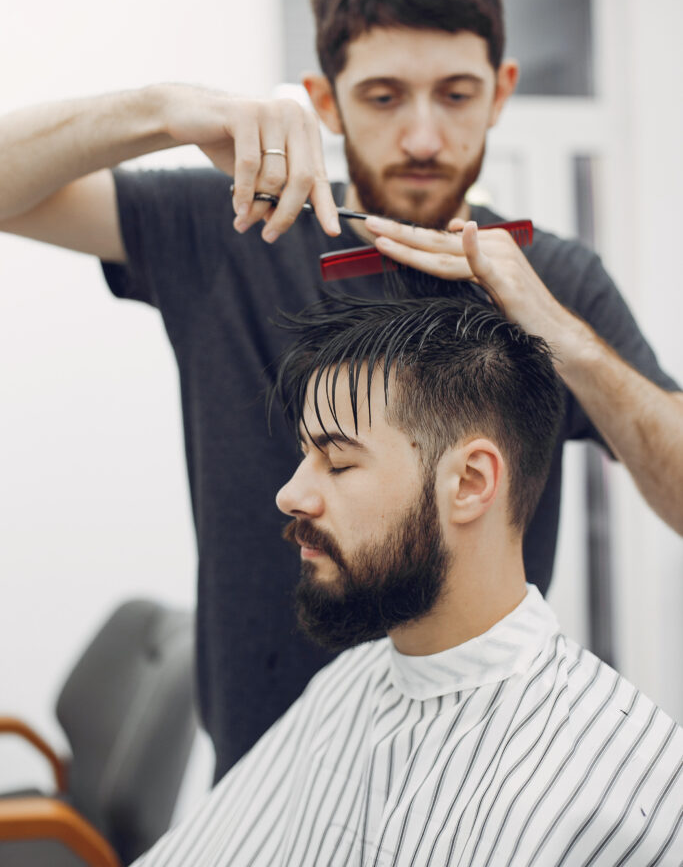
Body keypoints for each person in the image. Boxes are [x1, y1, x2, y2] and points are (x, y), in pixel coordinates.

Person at [0, 0, 681, 780]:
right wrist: (164, 108)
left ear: (501, 92)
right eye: (383, 97)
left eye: (456, 95)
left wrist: (561, 334)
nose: (423, 136)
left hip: (474, 779)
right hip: (262, 773)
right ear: (324, 99)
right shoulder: (233, 230)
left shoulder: (555, 278)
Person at [130, 289, 683, 867]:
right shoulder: (347, 688)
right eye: (304, 457)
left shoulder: (622, 787)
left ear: (469, 482)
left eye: (337, 462)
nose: (290, 494)